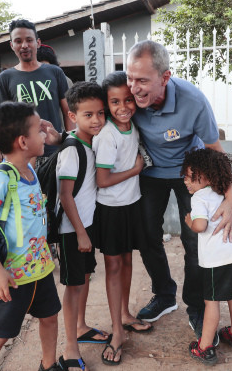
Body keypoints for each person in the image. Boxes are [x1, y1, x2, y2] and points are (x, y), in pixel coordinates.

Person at [125, 40, 232, 341]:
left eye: (142, 81)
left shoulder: (193, 101)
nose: (134, 88)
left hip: (192, 174)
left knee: (196, 240)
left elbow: (215, 151)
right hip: (150, 173)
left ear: (165, 77)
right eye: (130, 78)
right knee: (146, 234)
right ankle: (164, 295)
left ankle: (197, 307)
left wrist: (231, 196)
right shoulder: (127, 98)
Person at [0, 102, 60, 371]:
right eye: (38, 130)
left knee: (49, 317)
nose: (44, 134)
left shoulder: (30, 169)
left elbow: (46, 144)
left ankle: (49, 364)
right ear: (23, 141)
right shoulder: (2, 178)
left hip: (40, 268)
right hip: (12, 276)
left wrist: (50, 132)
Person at [91, 71, 150, 365]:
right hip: (111, 209)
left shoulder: (132, 127)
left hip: (131, 204)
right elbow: (102, 180)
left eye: (128, 100)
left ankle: (125, 315)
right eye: (115, 102)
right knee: (113, 267)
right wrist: (134, 171)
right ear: (107, 104)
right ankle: (117, 332)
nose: (123, 107)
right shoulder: (107, 136)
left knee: (127, 261)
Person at [56, 82, 108, 371]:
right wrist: (80, 232)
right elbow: (65, 194)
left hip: (84, 226)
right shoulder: (72, 148)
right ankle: (69, 348)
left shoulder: (90, 142)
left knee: (85, 278)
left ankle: (80, 326)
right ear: (73, 116)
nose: (97, 119)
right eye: (88, 114)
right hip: (72, 230)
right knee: (74, 286)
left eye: (100, 113)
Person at [181, 148, 232, 366]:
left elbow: (201, 225)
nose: (186, 181)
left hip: (215, 259)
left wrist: (190, 223)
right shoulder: (222, 194)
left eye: (191, 177)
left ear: (206, 176)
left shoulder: (199, 198)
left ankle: (205, 347)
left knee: (211, 302)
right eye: (185, 176)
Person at [0, 19, 73, 162]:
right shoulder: (4, 78)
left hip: (55, 152)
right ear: (12, 45)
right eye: (18, 41)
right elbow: (1, 121)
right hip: (21, 155)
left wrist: (70, 144)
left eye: (29, 40)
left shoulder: (55, 72)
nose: (24, 45)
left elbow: (69, 112)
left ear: (38, 42)